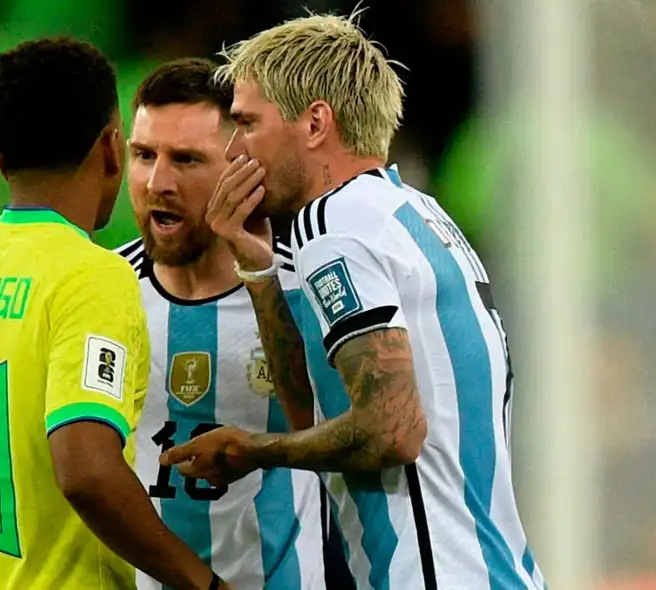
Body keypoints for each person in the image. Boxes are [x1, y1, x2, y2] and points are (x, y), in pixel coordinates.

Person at [0, 58, 351, 590]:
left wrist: (259, 276)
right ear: (117, 154)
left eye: (186, 159)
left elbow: (345, 439)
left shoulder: (300, 285)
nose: (159, 182)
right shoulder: (95, 289)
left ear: (238, 166)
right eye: (144, 156)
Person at [158, 14, 547, 589]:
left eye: (247, 123)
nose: (234, 149)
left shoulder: (333, 224)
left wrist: (254, 451)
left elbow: (393, 430)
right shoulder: (416, 214)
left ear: (315, 122)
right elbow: (318, 413)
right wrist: (259, 268)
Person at [0, 38, 229, 590]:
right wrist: (204, 584)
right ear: (113, 149)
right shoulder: (93, 278)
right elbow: (87, 471)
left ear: (0, 159)